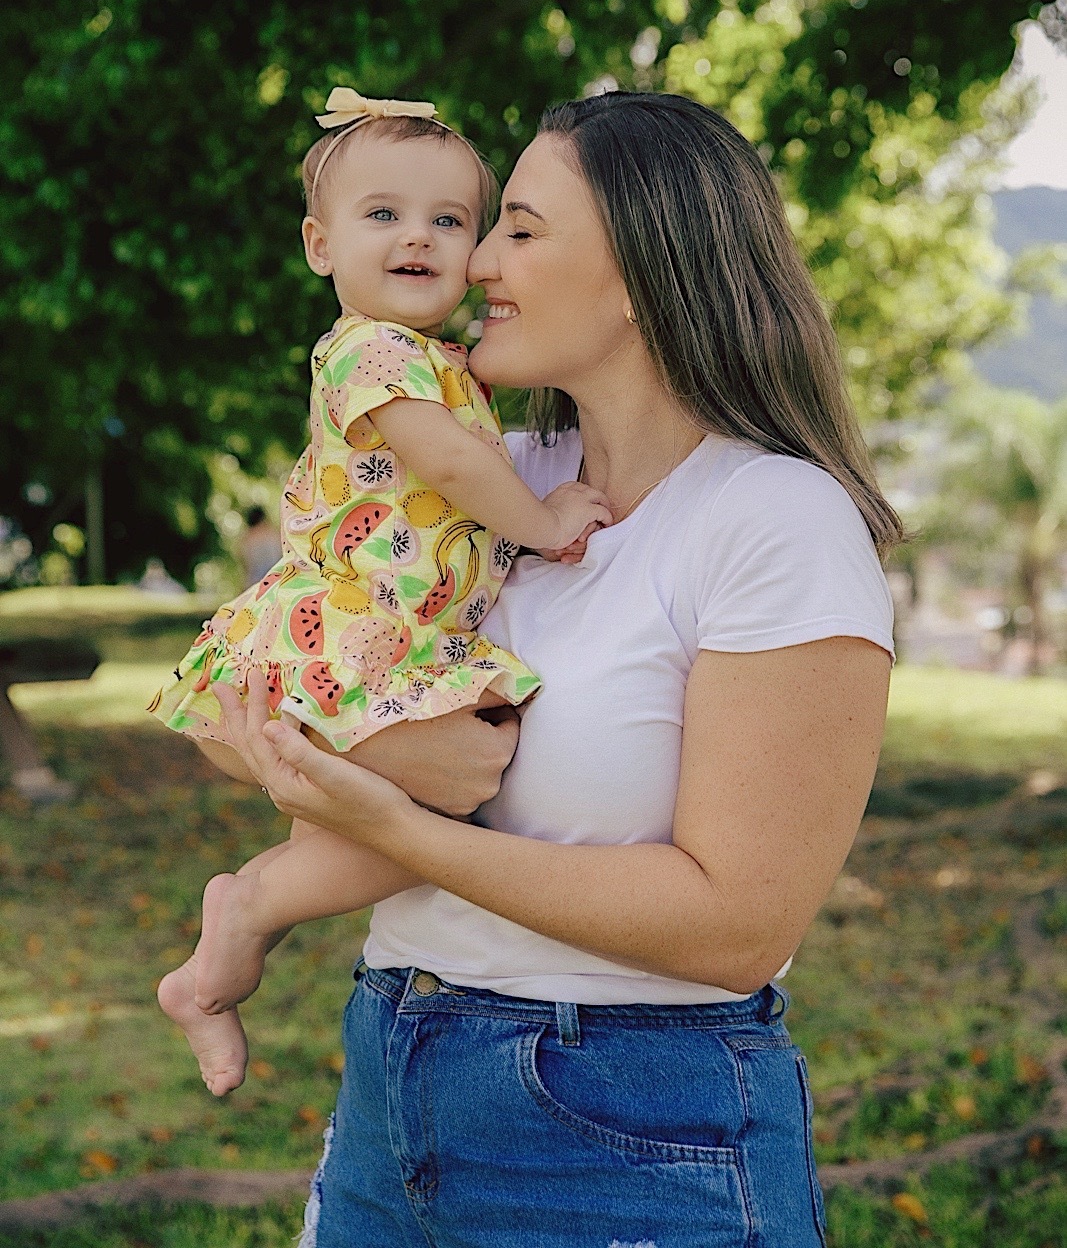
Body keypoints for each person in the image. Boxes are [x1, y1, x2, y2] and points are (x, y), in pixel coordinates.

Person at [218, 89, 900, 1248]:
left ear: (640, 270)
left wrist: (398, 817)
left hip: (627, 1127)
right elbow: (236, 685)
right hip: (393, 1075)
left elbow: (734, 923)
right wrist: (358, 754)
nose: (474, 258)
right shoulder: (484, 480)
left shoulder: (770, 520)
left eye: (518, 229)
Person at [151, 89, 609, 1096]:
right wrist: (540, 522)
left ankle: (213, 969)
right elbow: (446, 463)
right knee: (444, 817)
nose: (419, 237)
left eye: (448, 220)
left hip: (391, 638)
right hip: (348, 637)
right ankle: (243, 914)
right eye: (383, 215)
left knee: (401, 837)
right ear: (320, 246)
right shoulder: (369, 353)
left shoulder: (446, 362)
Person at [237, 507, 282, 591]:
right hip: (276, 581)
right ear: (263, 518)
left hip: (254, 585)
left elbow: (246, 567)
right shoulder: (275, 534)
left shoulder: (246, 540)